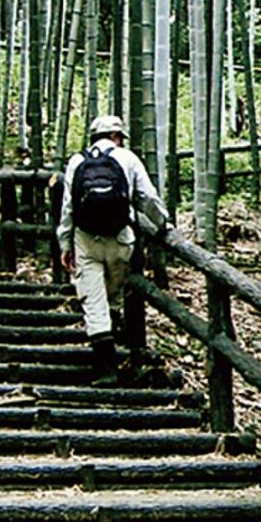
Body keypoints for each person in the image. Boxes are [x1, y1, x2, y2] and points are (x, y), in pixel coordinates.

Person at [57, 113, 168, 374]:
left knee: (93, 299)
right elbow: (147, 198)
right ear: (117, 137)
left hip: (86, 239)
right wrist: (164, 224)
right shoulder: (127, 158)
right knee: (113, 292)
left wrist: (64, 244)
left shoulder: (77, 161)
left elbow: (68, 208)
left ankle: (106, 368)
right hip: (120, 239)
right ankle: (117, 325)